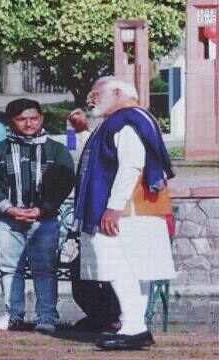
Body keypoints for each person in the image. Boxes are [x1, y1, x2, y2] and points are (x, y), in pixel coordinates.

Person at [73, 76, 176, 350]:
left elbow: (131, 165)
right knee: (136, 270)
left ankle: (133, 326)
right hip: (141, 207)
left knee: (122, 267)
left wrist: (113, 207)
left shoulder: (127, 119)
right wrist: (83, 131)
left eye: (96, 92)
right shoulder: (134, 118)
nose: (91, 98)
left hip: (128, 210)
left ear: (118, 92)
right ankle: (134, 325)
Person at [0, 98, 75, 333]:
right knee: (10, 268)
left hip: (45, 220)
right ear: (11, 122)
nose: (29, 123)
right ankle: (14, 315)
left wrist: (42, 209)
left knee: (45, 268)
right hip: (6, 220)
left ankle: (47, 317)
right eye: (22, 119)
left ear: (41, 118)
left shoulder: (57, 150)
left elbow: (65, 181)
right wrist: (9, 209)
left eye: (33, 118)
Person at [66, 94, 121, 333]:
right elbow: (71, 154)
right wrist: (71, 130)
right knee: (80, 271)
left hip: (114, 216)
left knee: (112, 272)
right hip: (87, 220)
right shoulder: (89, 137)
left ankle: (115, 318)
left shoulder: (120, 133)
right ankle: (99, 317)